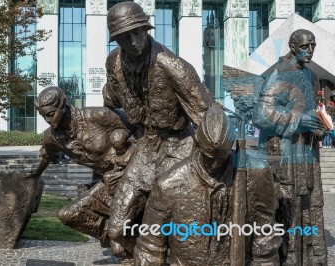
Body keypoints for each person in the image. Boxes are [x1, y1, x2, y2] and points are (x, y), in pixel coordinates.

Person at [102, 1, 215, 258]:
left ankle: (156, 258)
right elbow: (114, 98)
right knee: (117, 229)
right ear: (116, 40)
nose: (132, 42)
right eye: (123, 37)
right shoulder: (114, 64)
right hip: (147, 145)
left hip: (179, 145)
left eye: (137, 33)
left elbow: (207, 116)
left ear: (146, 29)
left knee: (162, 221)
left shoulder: (172, 65)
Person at [134, 105, 281, 265]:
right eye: (209, 158)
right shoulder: (169, 185)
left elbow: (265, 235)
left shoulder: (255, 174)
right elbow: (150, 246)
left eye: (221, 158)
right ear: (197, 143)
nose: (215, 165)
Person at [253, 29, 327, 265]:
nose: (310, 51)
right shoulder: (279, 73)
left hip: (307, 151)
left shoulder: (312, 75)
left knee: (310, 205)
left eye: (313, 46)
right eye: (306, 46)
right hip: (284, 153)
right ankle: (288, 258)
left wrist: (318, 125)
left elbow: (313, 111)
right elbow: (261, 115)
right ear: (293, 47)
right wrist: (298, 120)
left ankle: (310, 256)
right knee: (288, 206)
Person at [29, 86, 135, 243]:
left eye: (51, 114)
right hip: (108, 181)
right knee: (68, 215)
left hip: (133, 171)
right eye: (44, 116)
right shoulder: (52, 137)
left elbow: (142, 131)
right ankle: (123, 242)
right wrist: (34, 174)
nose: (48, 120)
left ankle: (126, 243)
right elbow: (46, 157)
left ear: (63, 107)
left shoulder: (97, 115)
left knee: (123, 222)